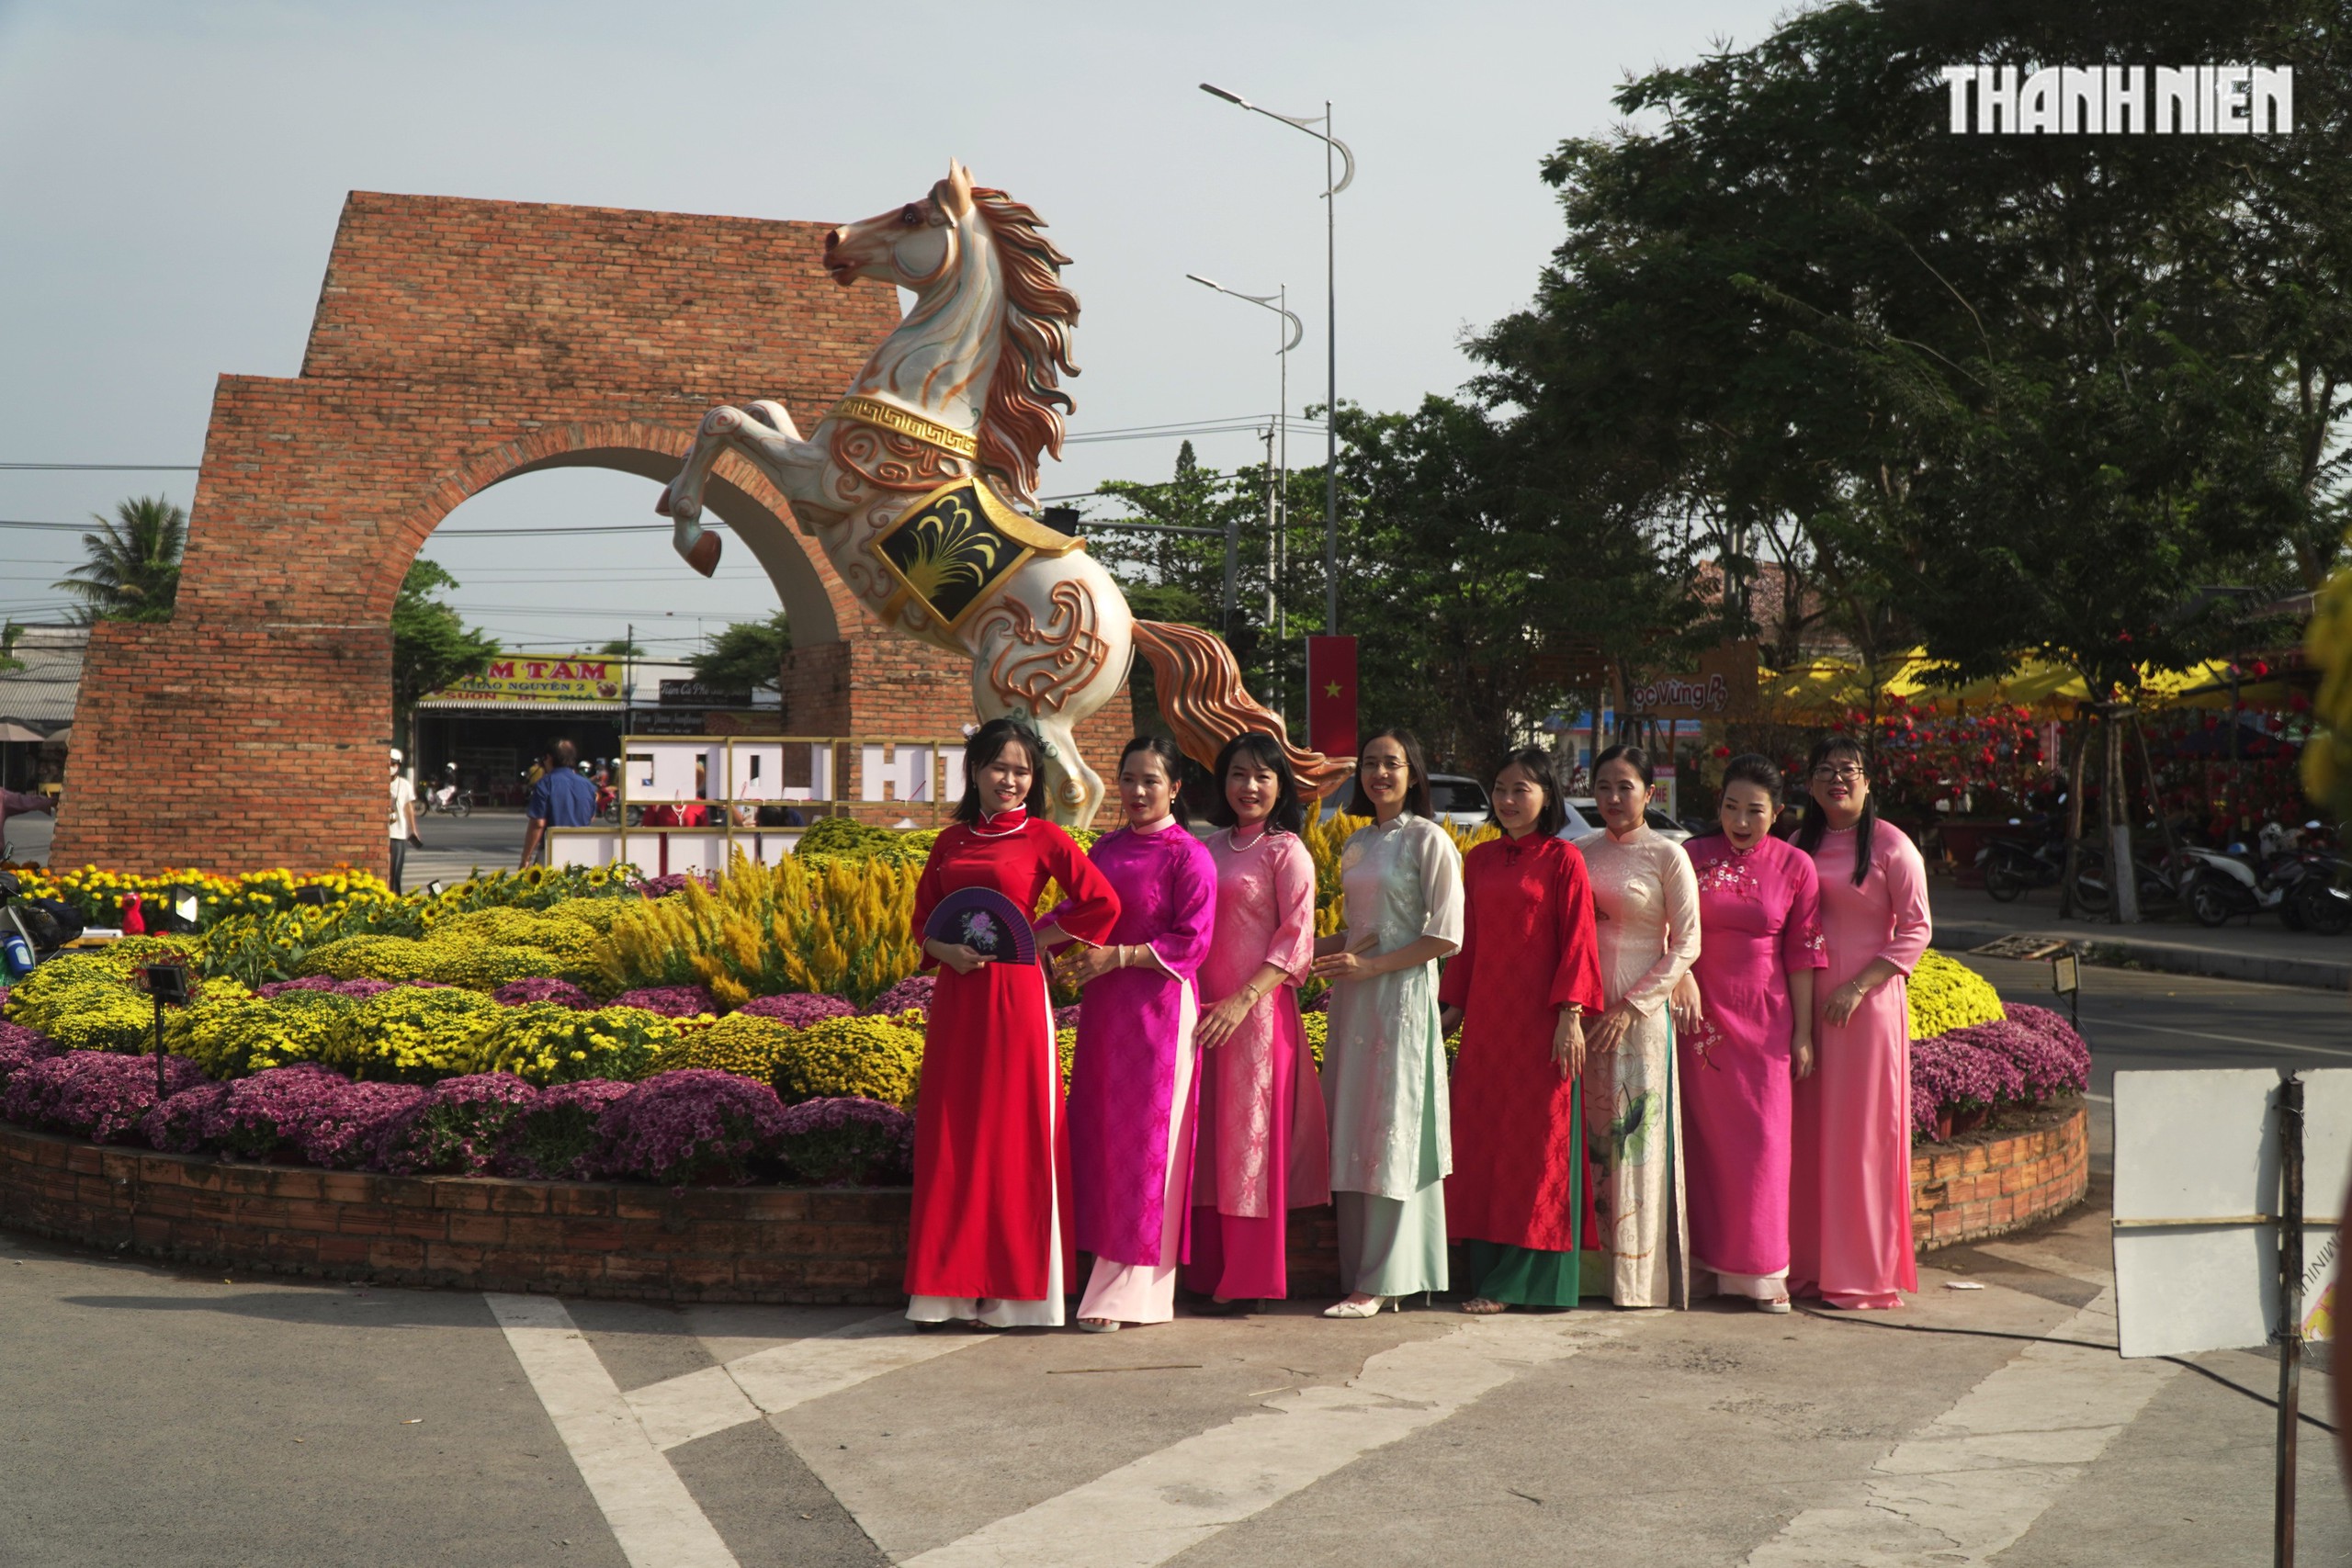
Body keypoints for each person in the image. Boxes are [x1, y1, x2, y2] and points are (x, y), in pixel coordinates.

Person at [906, 717, 1120, 1328]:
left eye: (1023, 770)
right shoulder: (950, 841)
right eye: (999, 766)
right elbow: (923, 920)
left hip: (1017, 998)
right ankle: (945, 1291)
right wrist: (943, 951)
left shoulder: (1045, 836)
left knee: (1016, 1130)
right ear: (975, 770)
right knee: (954, 1132)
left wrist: (1038, 937)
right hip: (957, 997)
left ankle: (1015, 1293)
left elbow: (1103, 902)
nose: (1011, 779)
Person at [1056, 737, 1217, 1331]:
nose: (1138, 791)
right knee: (1102, 1140)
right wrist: (1018, 937)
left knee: (1146, 1147)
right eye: (1128, 779)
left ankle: (1127, 1293)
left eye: (1151, 780)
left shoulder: (1189, 856)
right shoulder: (1105, 848)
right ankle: (1105, 1275)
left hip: (1160, 1016)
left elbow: (1193, 942)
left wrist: (1118, 956)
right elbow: (1076, 913)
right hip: (1105, 1015)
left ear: (1175, 787)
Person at [1440, 748, 1605, 1313]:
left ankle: (1521, 1282)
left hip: (1542, 1026)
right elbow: (1467, 942)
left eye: (1521, 789)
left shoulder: (1564, 859)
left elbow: (1579, 940)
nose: (1508, 800)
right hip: (1488, 1027)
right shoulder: (1480, 859)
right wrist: (1452, 1010)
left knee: (1537, 1147)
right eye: (1501, 789)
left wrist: (1570, 1016)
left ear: (1547, 796)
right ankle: (1486, 1273)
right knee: (1485, 1143)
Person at [1309, 728, 1464, 1317]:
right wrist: (1296, 954)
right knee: (1357, 1123)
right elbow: (1359, 929)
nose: (1379, 773)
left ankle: (1386, 1277)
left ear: (1413, 773)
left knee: (1395, 1125)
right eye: (1370, 763)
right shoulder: (1358, 842)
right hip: (1355, 1000)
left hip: (1400, 997)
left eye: (1391, 763)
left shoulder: (1429, 840)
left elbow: (1445, 935)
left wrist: (1370, 967)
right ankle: (1361, 1270)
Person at [1182, 732, 1330, 1312]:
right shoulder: (1207, 847)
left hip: (1258, 1017)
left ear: (1280, 785)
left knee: (1249, 1143)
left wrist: (1243, 1000)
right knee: (1207, 1138)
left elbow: (1297, 940)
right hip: (1203, 1014)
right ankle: (1206, 1272)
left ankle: (1248, 1279)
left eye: (1262, 776)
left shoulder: (1286, 851)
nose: (1249, 786)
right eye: (1238, 774)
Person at [1675, 754, 1825, 1314]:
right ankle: (1703, 1267)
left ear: (1778, 812)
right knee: (1701, 1143)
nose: (1740, 821)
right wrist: (1682, 977)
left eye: (1754, 810)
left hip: (1765, 1019)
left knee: (1764, 1144)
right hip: (1699, 1017)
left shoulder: (1795, 866)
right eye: (1731, 806)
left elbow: (1804, 953)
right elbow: (1668, 930)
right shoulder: (1691, 855)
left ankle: (1761, 1272)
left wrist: (1803, 1032)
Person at [1791, 736, 1931, 1310]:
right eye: (1825, 770)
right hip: (1807, 1005)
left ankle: (1861, 1273)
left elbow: (1917, 929)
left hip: (1866, 1009)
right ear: (1810, 784)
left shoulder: (1893, 846)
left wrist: (1857, 987)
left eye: (1848, 770)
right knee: (1809, 1135)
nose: (1837, 780)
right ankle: (1807, 1264)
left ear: (1868, 782)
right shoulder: (1799, 844)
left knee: (1862, 1137)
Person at [1574, 743, 1700, 1309]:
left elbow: (1688, 943)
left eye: (1625, 787)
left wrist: (1633, 1006)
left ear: (1650, 793)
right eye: (1603, 786)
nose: (1613, 797)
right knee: (1590, 1138)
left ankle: (1636, 1281)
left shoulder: (1668, 856)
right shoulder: (1579, 853)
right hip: (1584, 1013)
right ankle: (1588, 1274)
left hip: (1641, 1017)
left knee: (1635, 1142)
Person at [518, 739, 596, 867]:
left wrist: (526, 858)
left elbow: (538, 824)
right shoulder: (588, 785)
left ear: (549, 758)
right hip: (582, 852)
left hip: (552, 851)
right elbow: (591, 817)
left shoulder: (545, 784)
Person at [387, 749, 418, 895]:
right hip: (382, 835)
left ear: (399, 766)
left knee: (395, 874)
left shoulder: (404, 785)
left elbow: (408, 808)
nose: (391, 767)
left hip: (397, 834)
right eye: (389, 764)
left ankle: (396, 899)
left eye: (394, 764)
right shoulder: (378, 782)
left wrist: (413, 830)